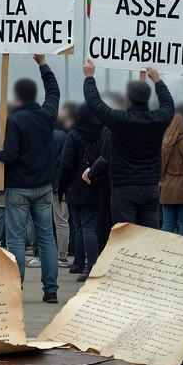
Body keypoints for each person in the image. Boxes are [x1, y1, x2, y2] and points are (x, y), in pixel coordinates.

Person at [0, 55, 61, 303]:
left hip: (19, 188)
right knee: (46, 239)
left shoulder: (14, 120)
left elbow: (10, 155)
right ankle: (51, 290)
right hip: (44, 187)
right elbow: (53, 91)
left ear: (17, 97)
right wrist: (43, 64)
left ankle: (17, 288)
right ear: (35, 95)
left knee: (15, 239)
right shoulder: (48, 115)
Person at [80, 60, 174, 227]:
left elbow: (95, 103)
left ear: (128, 99)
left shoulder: (119, 120)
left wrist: (89, 77)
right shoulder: (159, 119)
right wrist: (157, 80)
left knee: (125, 236)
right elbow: (168, 104)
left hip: (123, 188)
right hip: (150, 186)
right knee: (148, 236)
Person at [58, 104, 104, 281]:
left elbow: (66, 163)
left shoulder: (74, 133)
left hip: (74, 187)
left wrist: (61, 188)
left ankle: (81, 264)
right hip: (95, 184)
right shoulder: (103, 132)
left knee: (78, 227)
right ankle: (89, 265)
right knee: (89, 227)